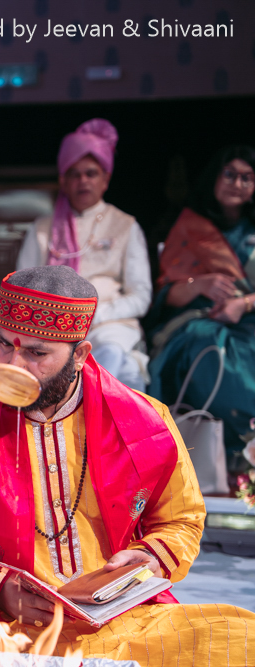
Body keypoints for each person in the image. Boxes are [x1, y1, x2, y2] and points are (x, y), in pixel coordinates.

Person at [0, 266, 255, 666]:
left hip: (126, 618)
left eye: (37, 353)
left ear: (79, 355)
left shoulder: (147, 420)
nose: (14, 365)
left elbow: (182, 519)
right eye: (3, 345)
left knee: (241, 640)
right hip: (3, 624)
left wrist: (152, 557)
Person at [17, 119, 151, 391]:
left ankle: (90, 411)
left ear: (105, 179)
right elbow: (22, 289)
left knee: (111, 353)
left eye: (91, 173)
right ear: (63, 181)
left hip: (108, 323)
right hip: (51, 325)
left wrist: (94, 315)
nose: (83, 181)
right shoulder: (42, 228)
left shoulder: (125, 225)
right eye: (74, 174)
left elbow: (141, 296)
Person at [147, 145, 255, 471]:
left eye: (247, 177)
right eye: (230, 175)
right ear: (215, 178)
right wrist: (199, 284)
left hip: (248, 319)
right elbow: (165, 297)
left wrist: (243, 304)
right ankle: (234, 452)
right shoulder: (189, 229)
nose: (237, 184)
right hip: (198, 320)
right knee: (208, 346)